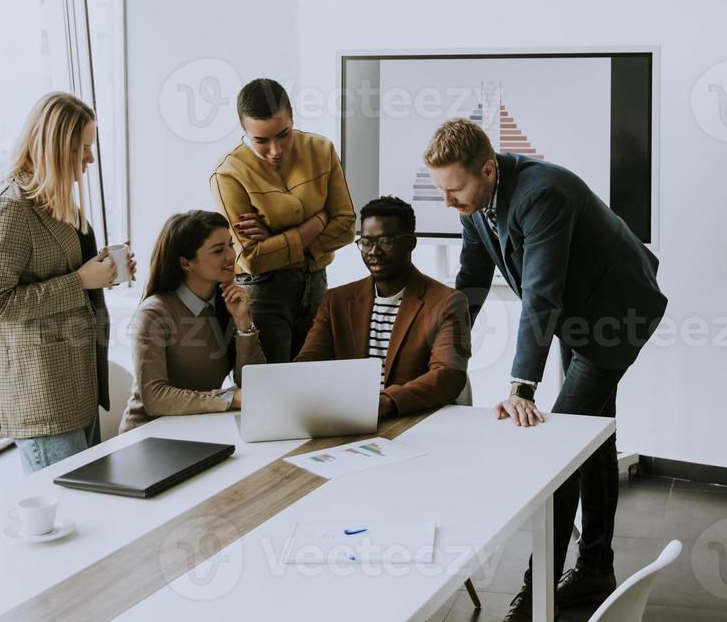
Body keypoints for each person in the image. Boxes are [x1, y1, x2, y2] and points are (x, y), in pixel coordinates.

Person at [424, 119, 668, 620]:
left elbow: (541, 294)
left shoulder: (544, 193)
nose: (448, 203)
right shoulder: (475, 203)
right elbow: (471, 281)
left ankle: (538, 596)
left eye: (454, 191)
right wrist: (444, 348)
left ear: (488, 169)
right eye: (441, 192)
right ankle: (597, 569)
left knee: (557, 451)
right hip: (576, 317)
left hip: (615, 316)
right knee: (591, 439)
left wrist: (522, 386)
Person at [0, 92, 136, 473]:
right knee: (75, 509)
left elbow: (66, 272)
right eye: (83, 148)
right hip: (43, 395)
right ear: (55, 146)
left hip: (76, 383)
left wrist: (103, 272)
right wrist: (81, 280)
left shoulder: (57, 201)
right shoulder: (10, 210)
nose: (90, 160)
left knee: (91, 505)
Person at [210, 78, 356, 365]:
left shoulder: (321, 149)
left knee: (315, 384)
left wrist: (274, 235)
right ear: (244, 130)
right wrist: (316, 222)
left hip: (315, 284)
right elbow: (251, 258)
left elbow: (347, 227)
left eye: (283, 134)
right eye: (261, 140)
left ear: (292, 117)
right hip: (262, 291)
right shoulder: (228, 173)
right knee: (271, 390)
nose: (275, 150)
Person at [295, 196, 470, 416]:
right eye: (367, 242)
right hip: (348, 418)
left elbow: (449, 375)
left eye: (386, 241)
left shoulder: (446, 302)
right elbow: (307, 365)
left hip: (414, 420)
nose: (373, 252)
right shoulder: (336, 301)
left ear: (410, 243)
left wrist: (387, 402)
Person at [119, 210, 265, 432]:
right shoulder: (154, 313)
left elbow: (253, 384)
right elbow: (154, 397)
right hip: (148, 433)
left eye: (230, 245)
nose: (230, 256)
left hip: (198, 426)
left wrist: (243, 323)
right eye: (218, 250)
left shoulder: (229, 302)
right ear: (186, 264)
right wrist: (229, 398)